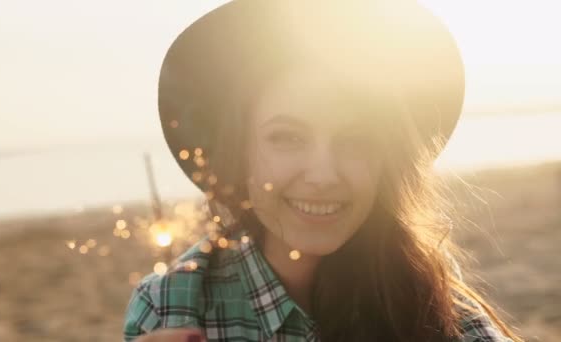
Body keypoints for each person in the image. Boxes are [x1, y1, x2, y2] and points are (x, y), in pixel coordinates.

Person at [124, 0, 522, 341]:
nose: (324, 174)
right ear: (241, 151)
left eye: (355, 141)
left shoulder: (424, 293)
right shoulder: (173, 305)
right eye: (287, 138)